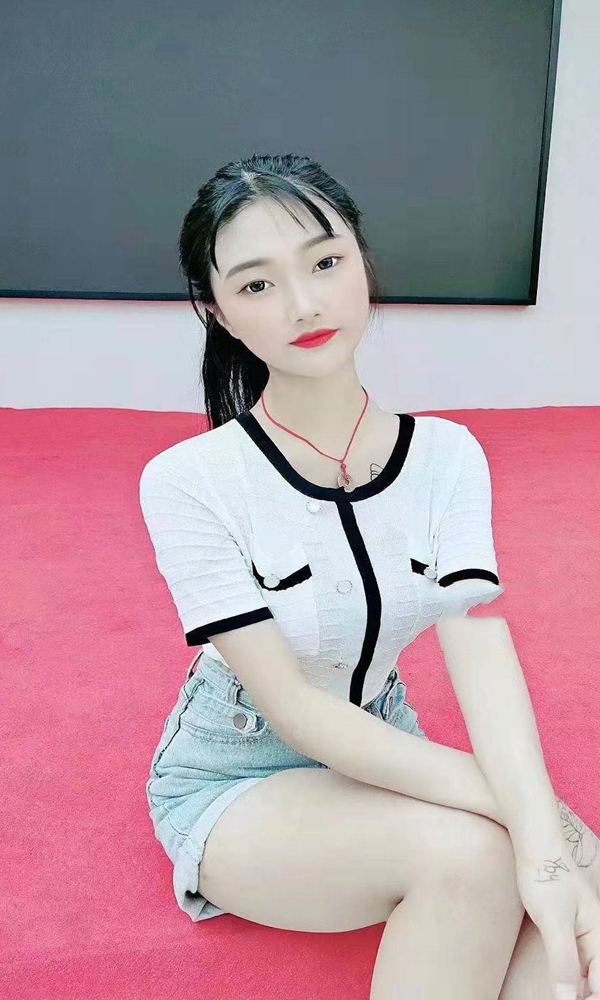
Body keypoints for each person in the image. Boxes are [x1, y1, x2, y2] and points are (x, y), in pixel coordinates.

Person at [139, 153, 598, 999]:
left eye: (324, 262)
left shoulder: (448, 455)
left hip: (388, 743)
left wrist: (554, 837)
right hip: (238, 773)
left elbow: (476, 649)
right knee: (483, 854)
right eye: (257, 284)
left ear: (361, 258)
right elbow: (295, 708)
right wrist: (539, 819)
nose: (304, 304)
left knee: (578, 900)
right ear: (217, 311)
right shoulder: (190, 480)